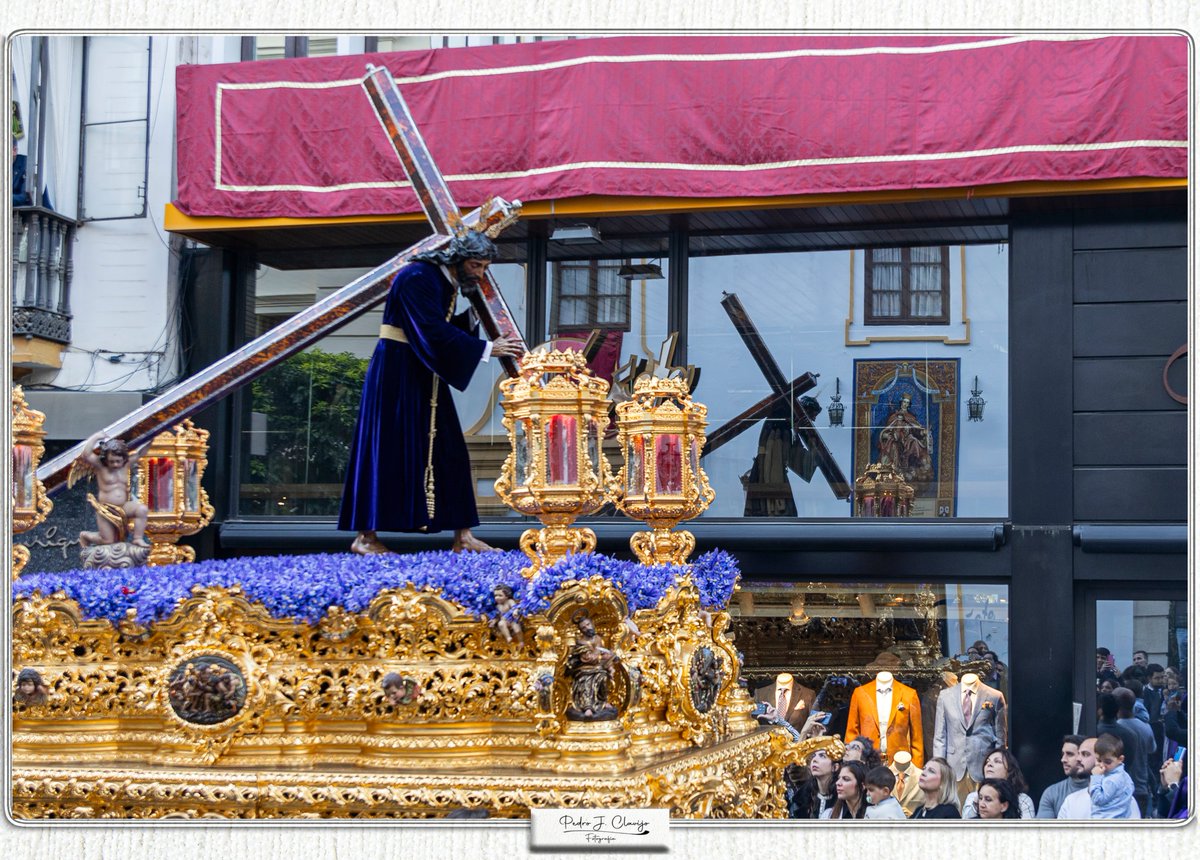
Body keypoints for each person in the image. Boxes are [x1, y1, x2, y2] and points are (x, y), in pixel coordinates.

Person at [338, 230, 525, 555]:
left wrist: (473, 323)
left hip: (423, 372)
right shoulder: (416, 276)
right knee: (385, 448)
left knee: (449, 449)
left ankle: (463, 535)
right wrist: (486, 348)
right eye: (476, 265)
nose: (480, 273)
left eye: (483, 267)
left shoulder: (446, 282)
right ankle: (365, 538)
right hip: (397, 373)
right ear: (457, 259)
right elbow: (428, 329)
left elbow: (439, 327)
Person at [73, 432, 150, 547]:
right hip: (106, 509)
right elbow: (87, 454)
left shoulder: (126, 465)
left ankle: (137, 538)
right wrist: (95, 437)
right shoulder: (100, 466)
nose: (115, 464)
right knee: (108, 541)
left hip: (124, 506)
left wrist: (153, 436)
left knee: (142, 509)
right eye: (111, 461)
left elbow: (140, 453)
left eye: (118, 461)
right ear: (105, 459)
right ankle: (86, 536)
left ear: (123, 459)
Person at [1057, 736, 1141, 820]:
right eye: (1079, 754)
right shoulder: (1071, 801)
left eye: (1085, 754)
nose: (1078, 759)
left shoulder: (1124, 799)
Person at [1112, 687, 1155, 815]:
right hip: (1141, 787)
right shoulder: (1145, 727)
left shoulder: (1116, 729)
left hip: (1118, 789)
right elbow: (1152, 749)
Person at [961, 747, 1035, 818]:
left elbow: (1027, 830)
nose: (989, 764)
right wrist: (976, 804)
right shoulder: (972, 798)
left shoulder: (1023, 800)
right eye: (987, 761)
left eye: (997, 761)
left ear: (1010, 771)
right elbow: (965, 829)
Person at [876, 392, 933, 482]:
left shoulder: (910, 417)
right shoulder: (894, 416)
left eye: (907, 403)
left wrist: (923, 432)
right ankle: (893, 470)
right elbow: (888, 429)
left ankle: (913, 466)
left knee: (915, 442)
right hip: (896, 439)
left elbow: (916, 430)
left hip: (908, 438)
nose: (905, 404)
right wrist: (889, 434)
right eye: (904, 402)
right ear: (901, 403)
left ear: (909, 405)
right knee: (893, 445)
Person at [1036, 734, 1089, 818]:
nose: (1063, 759)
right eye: (1063, 754)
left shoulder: (1105, 790)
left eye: (1070, 754)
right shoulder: (1052, 793)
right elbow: (1042, 830)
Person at [1089, 733, 1136, 819]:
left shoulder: (1111, 780)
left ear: (1120, 759)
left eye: (1107, 762)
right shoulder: (1125, 776)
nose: (1102, 765)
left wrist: (1095, 778)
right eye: (1099, 760)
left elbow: (1097, 799)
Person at [790, 748, 838, 819]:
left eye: (822, 756)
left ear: (835, 767)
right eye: (813, 756)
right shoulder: (803, 796)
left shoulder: (843, 797)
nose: (814, 760)